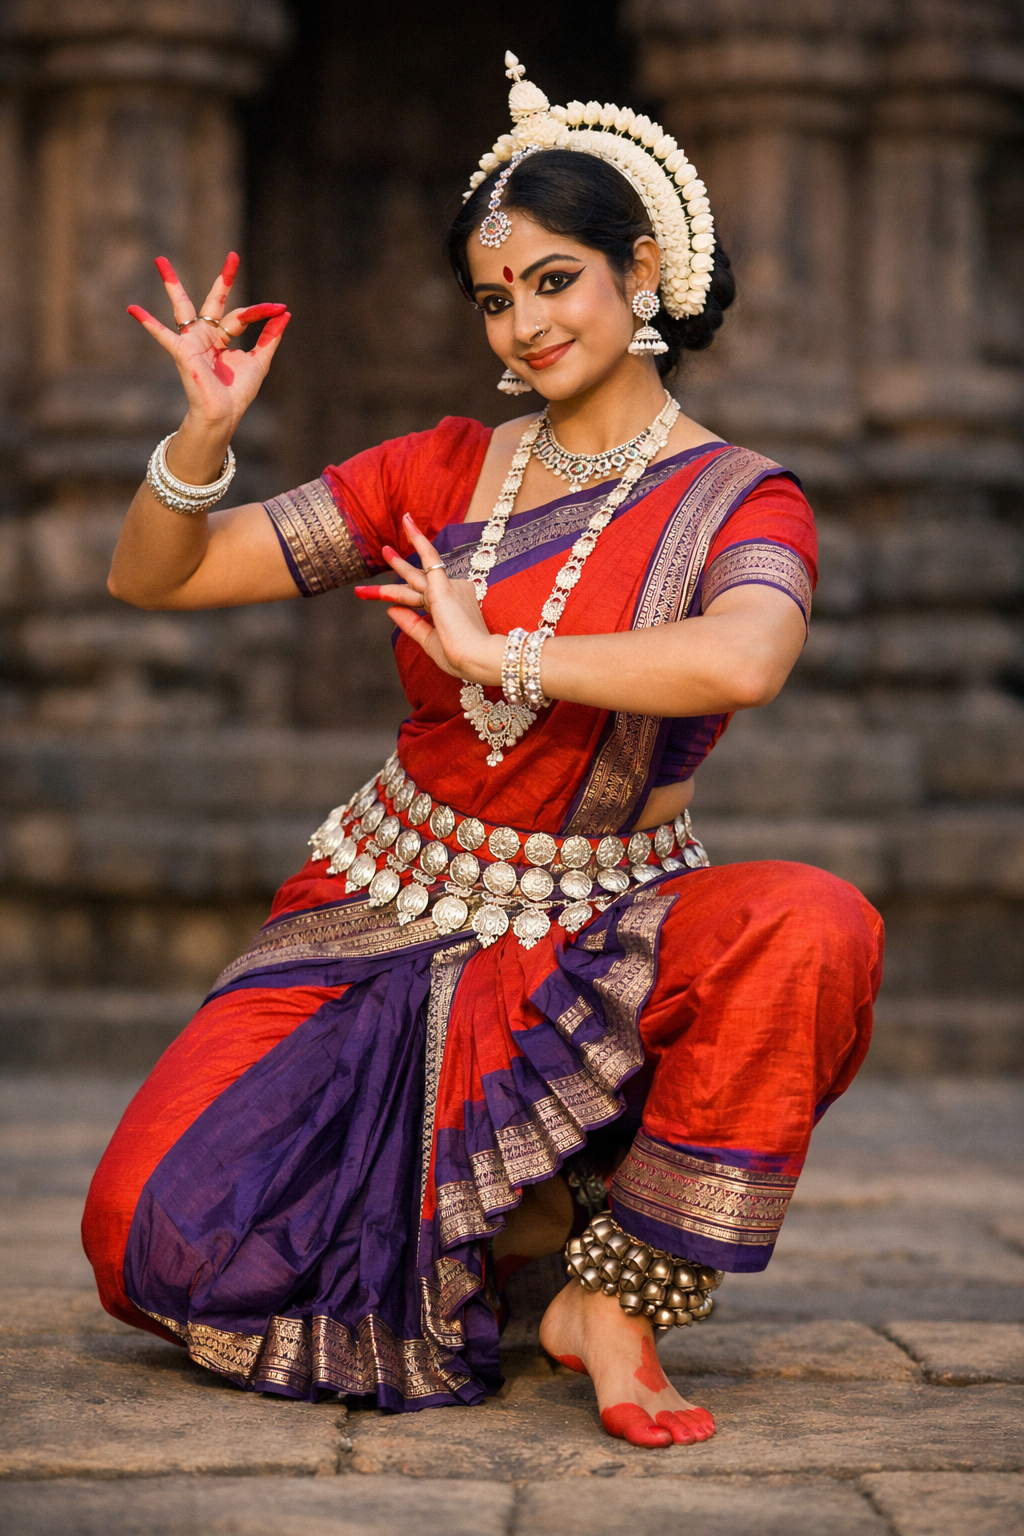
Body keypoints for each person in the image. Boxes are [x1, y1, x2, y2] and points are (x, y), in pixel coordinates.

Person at [83, 55, 883, 1450]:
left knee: (811, 926)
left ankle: (614, 1295)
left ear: (643, 272)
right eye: (497, 298)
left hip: (607, 927)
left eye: (555, 280)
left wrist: (498, 656)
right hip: (385, 909)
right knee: (142, 1231)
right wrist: (200, 438)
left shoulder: (742, 502)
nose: (525, 322)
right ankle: (515, 1224)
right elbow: (162, 577)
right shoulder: (439, 471)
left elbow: (745, 656)